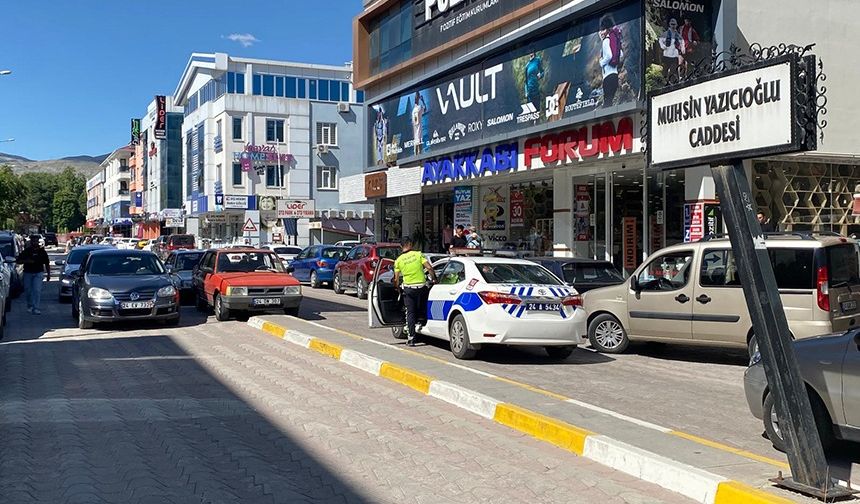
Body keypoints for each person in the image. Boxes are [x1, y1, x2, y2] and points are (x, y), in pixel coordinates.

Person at [393, 238, 437, 347]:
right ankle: (424, 324)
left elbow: (396, 279)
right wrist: (434, 279)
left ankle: (411, 338)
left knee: (410, 313)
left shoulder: (398, 260)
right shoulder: (418, 254)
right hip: (422, 288)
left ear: (401, 246)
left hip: (409, 290)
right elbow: (429, 268)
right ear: (410, 244)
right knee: (424, 307)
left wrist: (397, 288)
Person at [16, 235, 50, 315]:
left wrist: (48, 274)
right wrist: (27, 261)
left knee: (37, 290)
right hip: (28, 273)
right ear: (31, 242)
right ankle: (30, 305)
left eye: (36, 241)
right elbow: (18, 261)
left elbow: (47, 263)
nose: (35, 242)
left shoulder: (42, 252)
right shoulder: (27, 251)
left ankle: (36, 308)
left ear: (38, 241)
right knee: (28, 290)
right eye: (33, 241)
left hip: (38, 273)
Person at [598, 14, 623, 108]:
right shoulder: (615, 40)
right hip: (615, 76)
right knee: (610, 103)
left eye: (602, 29)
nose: (601, 32)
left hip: (608, 78)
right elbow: (621, 54)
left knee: (607, 105)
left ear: (607, 29)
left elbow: (609, 56)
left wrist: (601, 62)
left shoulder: (606, 41)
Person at [523, 47, 544, 115]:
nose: (531, 52)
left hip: (536, 88)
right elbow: (525, 81)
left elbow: (542, 72)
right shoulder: (527, 65)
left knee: (537, 110)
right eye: (530, 51)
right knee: (531, 113)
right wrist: (526, 92)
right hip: (529, 92)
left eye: (532, 50)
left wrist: (540, 75)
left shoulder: (537, 60)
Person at [411, 92, 426, 156]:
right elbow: (425, 109)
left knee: (415, 152)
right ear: (418, 98)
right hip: (419, 134)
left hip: (415, 136)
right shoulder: (419, 108)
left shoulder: (413, 110)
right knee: (420, 151)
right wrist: (423, 100)